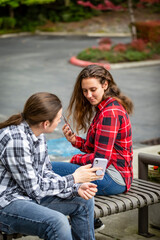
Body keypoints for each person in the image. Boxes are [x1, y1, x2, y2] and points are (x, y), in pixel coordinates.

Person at [0, 92, 103, 240]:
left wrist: (76, 187)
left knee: (84, 200)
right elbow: (36, 189)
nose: (60, 121)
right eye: (59, 118)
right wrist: (74, 178)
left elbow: (46, 173)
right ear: (46, 123)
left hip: (27, 196)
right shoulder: (16, 141)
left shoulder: (38, 133)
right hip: (7, 204)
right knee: (57, 222)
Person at [51, 65, 134, 231]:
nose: (88, 95)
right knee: (59, 173)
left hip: (114, 178)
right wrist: (75, 141)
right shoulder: (105, 108)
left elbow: (101, 160)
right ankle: (90, 219)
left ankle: (64, 220)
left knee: (49, 168)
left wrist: (75, 159)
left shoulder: (109, 113)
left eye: (93, 89)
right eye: (85, 91)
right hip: (109, 173)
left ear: (105, 84)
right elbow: (94, 148)